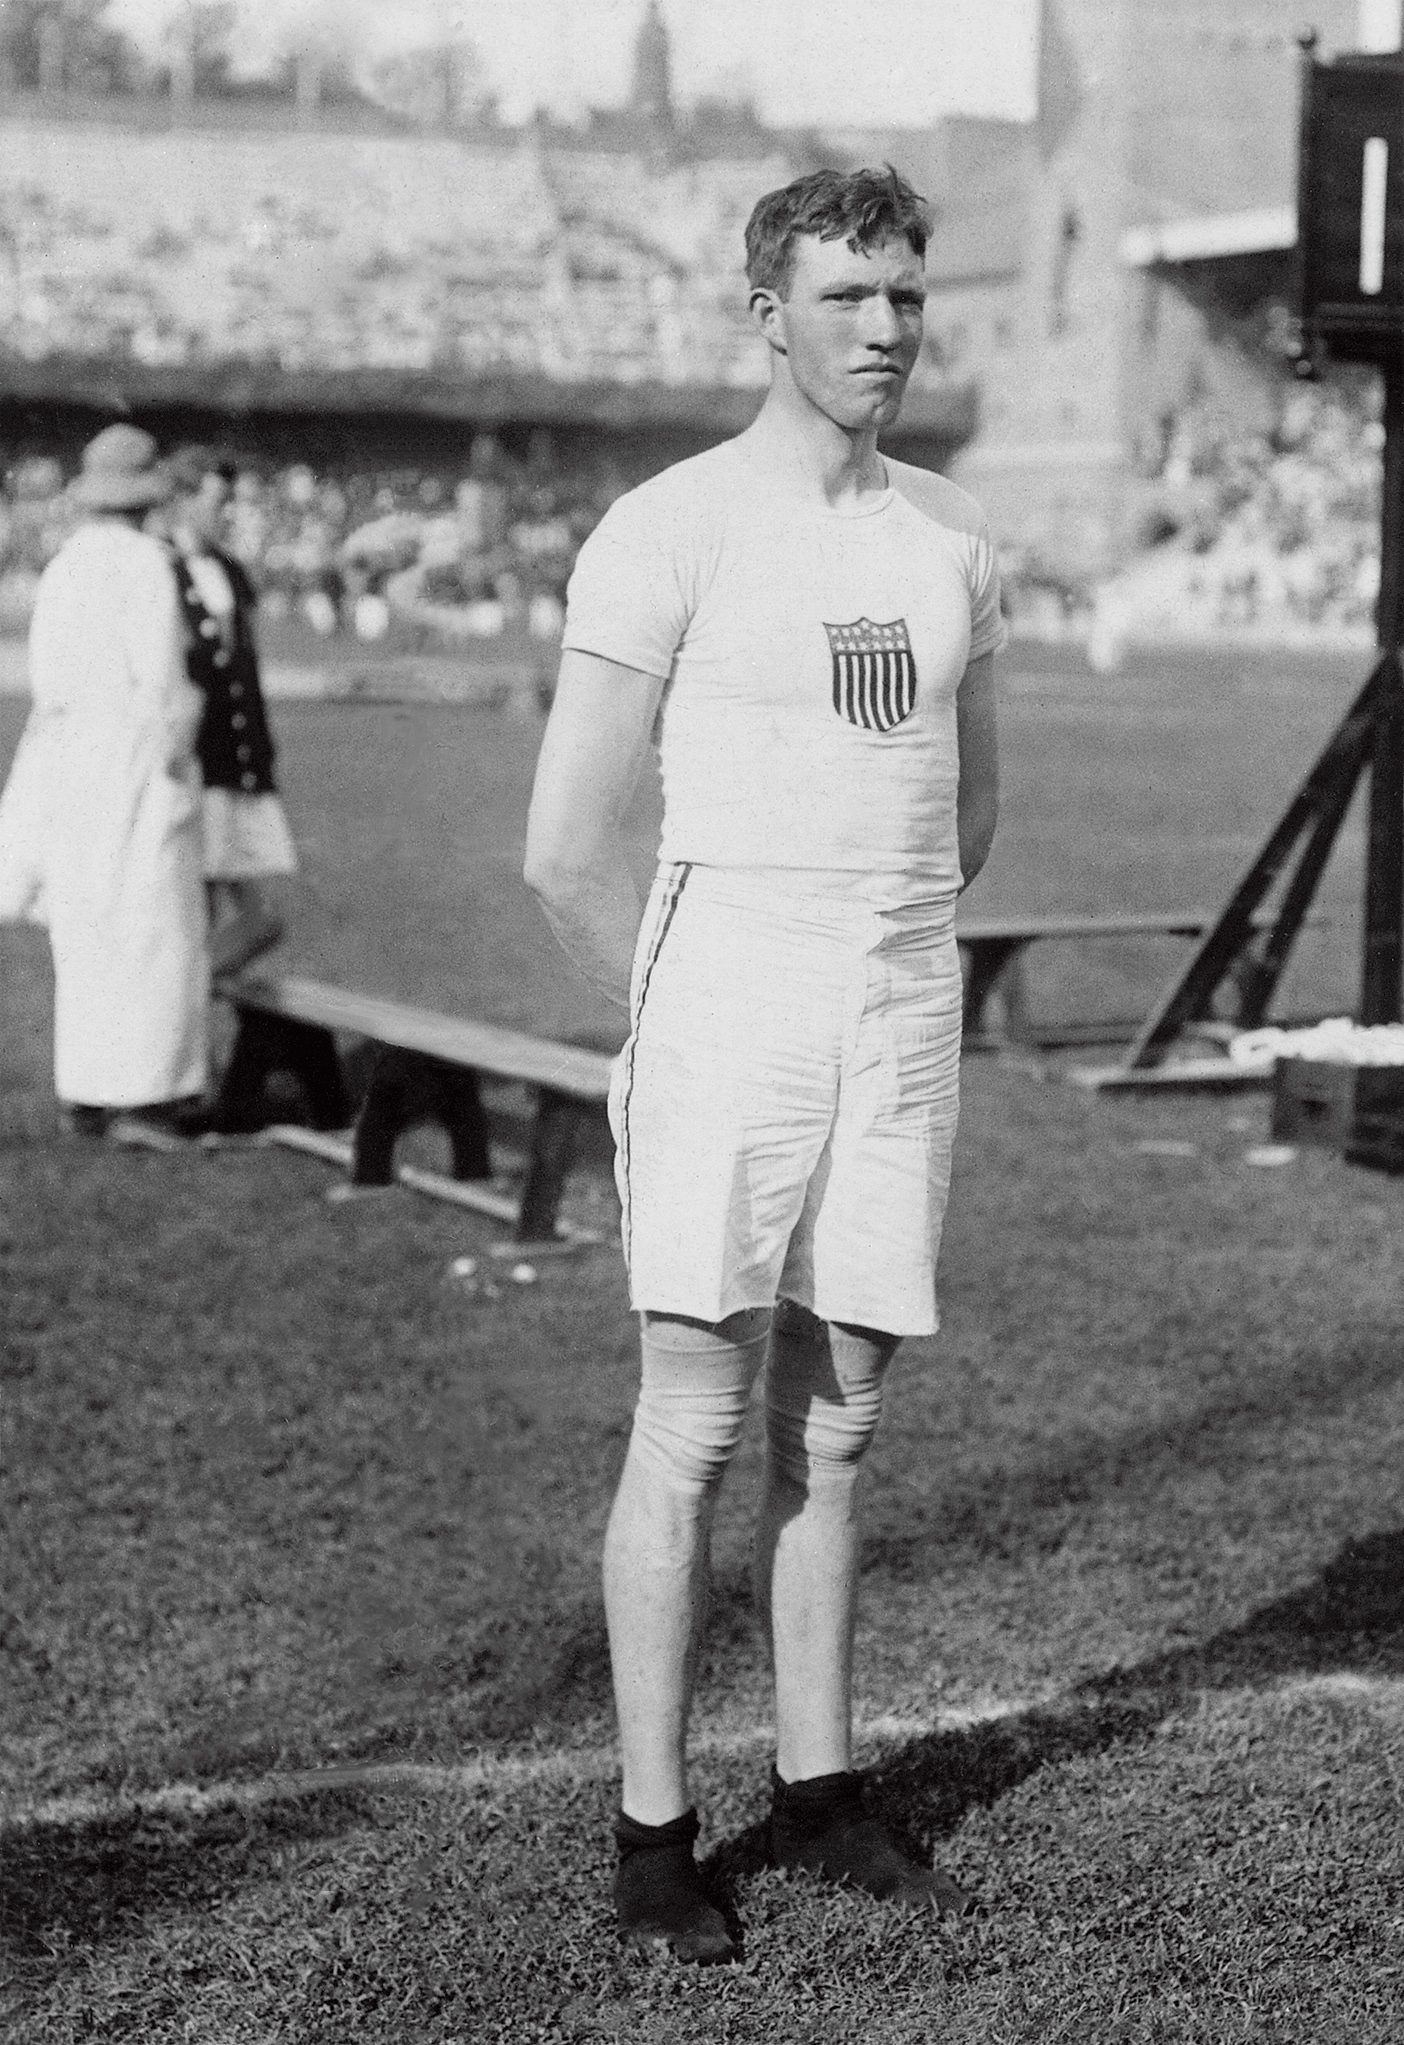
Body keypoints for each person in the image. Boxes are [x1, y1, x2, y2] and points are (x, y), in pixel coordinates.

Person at [524, 166, 1003, 1962]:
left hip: (893, 998)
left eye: (901, 295)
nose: (880, 330)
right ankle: (655, 1835)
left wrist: (867, 952)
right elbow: (565, 843)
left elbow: (967, 809)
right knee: (698, 1417)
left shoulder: (951, 534)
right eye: (843, 299)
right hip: (722, 994)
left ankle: (816, 1789)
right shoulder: (667, 528)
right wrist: (677, 1026)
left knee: (842, 1414)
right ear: (764, 313)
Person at [0, 423, 209, 1139]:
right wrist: (178, 759)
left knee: (87, 927)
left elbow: (48, 679)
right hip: (131, 755)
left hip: (69, 757)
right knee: (152, 927)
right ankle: (144, 1095)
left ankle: (87, 1088)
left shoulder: (64, 565)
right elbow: (161, 680)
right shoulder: (149, 564)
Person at [163, 447, 296, 975]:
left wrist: (259, 757)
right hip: (196, 762)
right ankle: (186, 1024)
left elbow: (247, 671)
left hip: (236, 763)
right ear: (182, 499)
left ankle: (189, 1004)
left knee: (259, 918)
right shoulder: (162, 568)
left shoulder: (229, 570)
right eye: (216, 501)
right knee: (198, 914)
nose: (226, 514)